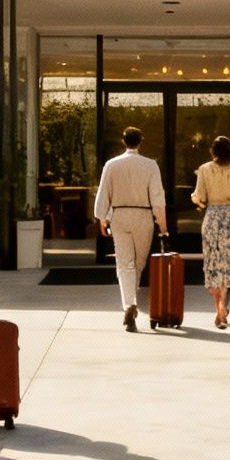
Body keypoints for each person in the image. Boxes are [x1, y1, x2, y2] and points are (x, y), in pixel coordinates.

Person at [94, 125, 167, 332]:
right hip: (143, 215)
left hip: (120, 215)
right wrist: (163, 225)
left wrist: (102, 219)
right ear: (140, 141)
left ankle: (129, 303)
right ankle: (131, 303)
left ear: (123, 141)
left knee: (124, 263)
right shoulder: (150, 165)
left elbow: (103, 193)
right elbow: (157, 197)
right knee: (138, 263)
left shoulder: (111, 164)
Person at [191, 135, 230, 329]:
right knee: (229, 264)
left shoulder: (204, 169)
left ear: (213, 151)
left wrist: (196, 200)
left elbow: (199, 196)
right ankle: (222, 307)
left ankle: (218, 307)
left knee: (213, 264)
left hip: (212, 217)